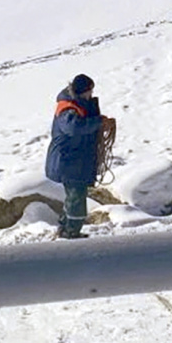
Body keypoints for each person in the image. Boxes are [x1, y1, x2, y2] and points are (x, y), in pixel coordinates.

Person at [44, 74, 104, 239]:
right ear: (82, 91)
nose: (90, 95)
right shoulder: (67, 109)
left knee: (74, 195)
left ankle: (65, 227)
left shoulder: (73, 104)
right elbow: (73, 128)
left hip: (73, 160)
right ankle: (71, 232)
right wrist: (97, 122)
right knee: (77, 195)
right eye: (89, 91)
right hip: (68, 160)